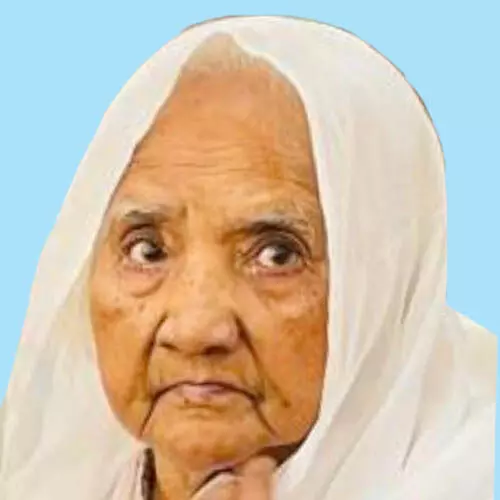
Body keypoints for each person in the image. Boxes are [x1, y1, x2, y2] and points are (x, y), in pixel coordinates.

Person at [0, 15, 496, 500]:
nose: (195, 330)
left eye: (277, 255)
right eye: (147, 250)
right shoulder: (43, 482)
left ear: (387, 290)